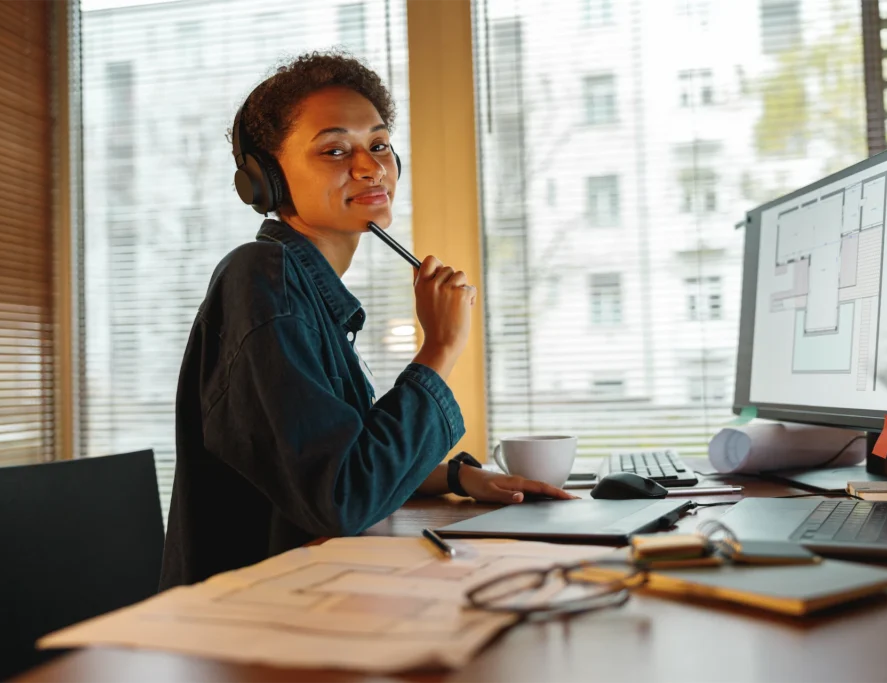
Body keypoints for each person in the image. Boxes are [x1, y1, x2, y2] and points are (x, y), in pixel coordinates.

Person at [160, 52, 575, 589]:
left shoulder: (304, 291)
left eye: (378, 145)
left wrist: (455, 475)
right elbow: (339, 498)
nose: (369, 167)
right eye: (335, 150)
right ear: (266, 181)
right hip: (263, 631)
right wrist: (440, 347)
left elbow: (333, 460)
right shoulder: (262, 278)